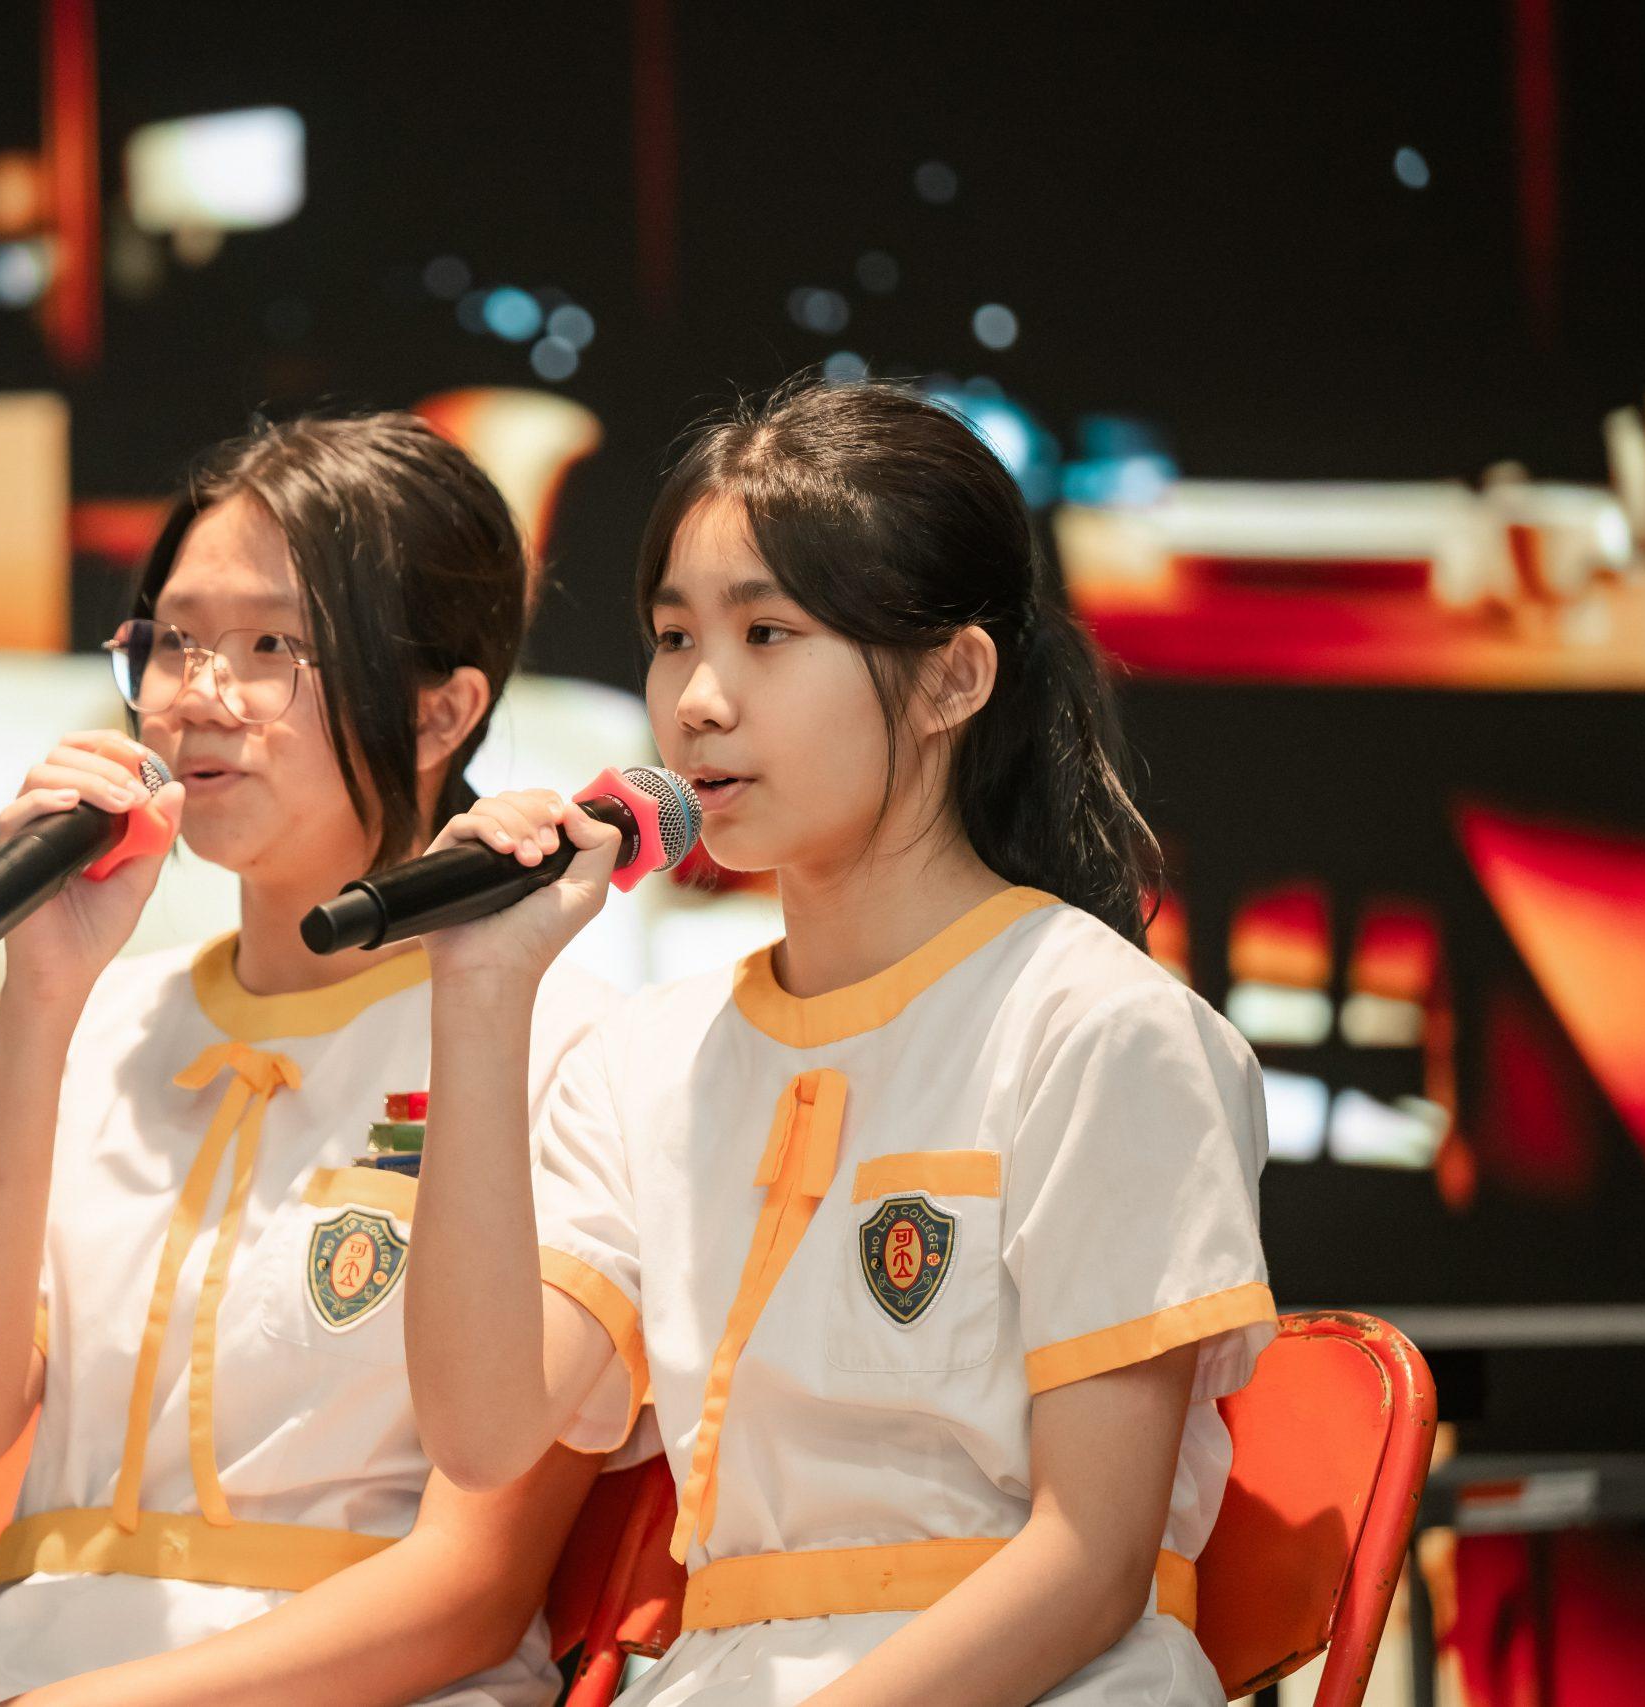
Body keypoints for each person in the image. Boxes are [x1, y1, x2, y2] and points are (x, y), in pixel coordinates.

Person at [403, 379, 1276, 1706]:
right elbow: (482, 1434)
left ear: (951, 679)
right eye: (674, 637)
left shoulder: (1097, 1025)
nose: (698, 700)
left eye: (768, 633)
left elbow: (1090, 1562)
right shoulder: (642, 1061)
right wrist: (479, 996)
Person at [0, 413, 614, 1707]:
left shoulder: (555, 1042)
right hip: (14, 1665)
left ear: (440, 710)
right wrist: (39, 997)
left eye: (270, 649)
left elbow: (471, 1593)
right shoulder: (106, 1020)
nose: (198, 694)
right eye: (172, 641)